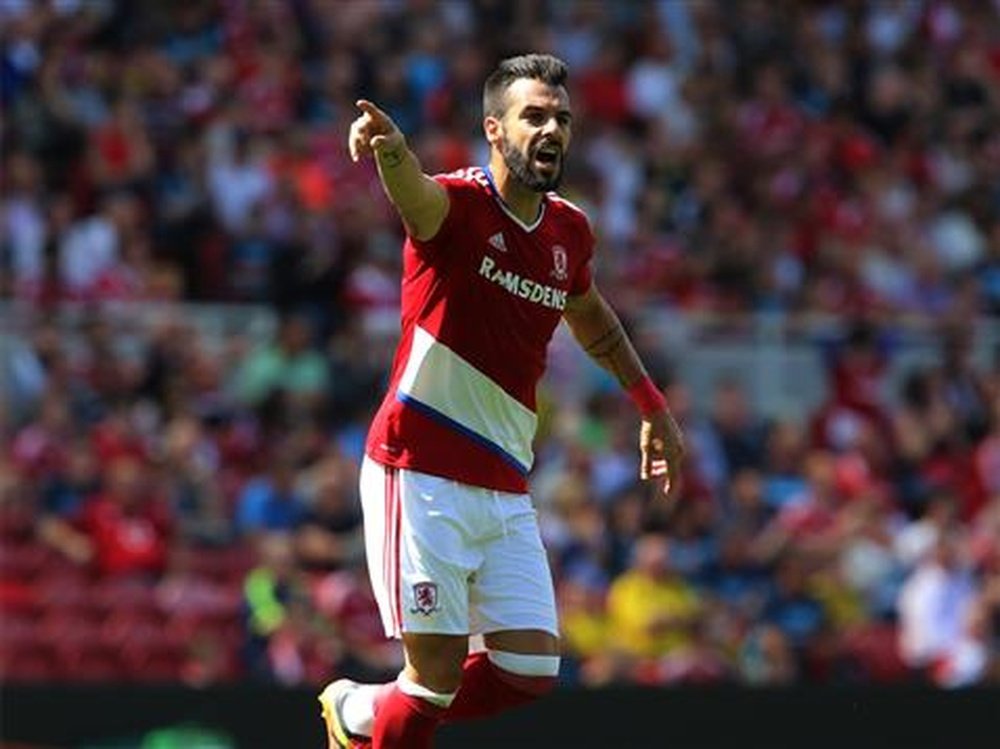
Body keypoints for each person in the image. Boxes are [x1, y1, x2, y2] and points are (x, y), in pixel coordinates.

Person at [317, 53, 684, 749]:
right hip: (417, 468)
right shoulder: (457, 205)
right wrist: (394, 155)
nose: (552, 130)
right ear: (495, 128)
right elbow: (416, 197)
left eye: (563, 119)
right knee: (431, 679)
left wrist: (650, 401)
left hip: (502, 482)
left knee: (529, 666)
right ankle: (381, 716)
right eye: (535, 116)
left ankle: (360, 712)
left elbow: (590, 313)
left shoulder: (569, 231)